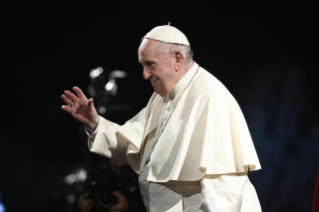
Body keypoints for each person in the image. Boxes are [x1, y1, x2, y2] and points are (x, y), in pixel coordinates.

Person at [62, 24, 262, 211]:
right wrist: (95, 125)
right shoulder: (162, 97)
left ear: (177, 59)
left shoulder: (209, 97)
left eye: (150, 65)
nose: (145, 75)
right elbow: (130, 143)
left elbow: (223, 191)